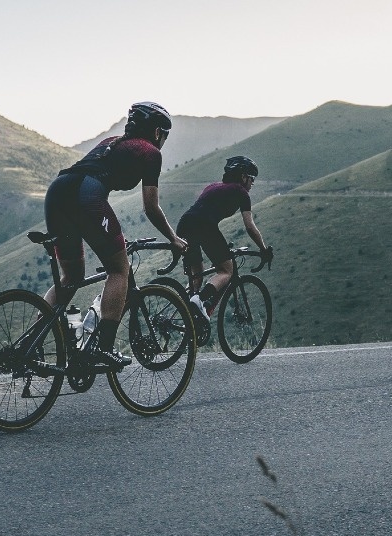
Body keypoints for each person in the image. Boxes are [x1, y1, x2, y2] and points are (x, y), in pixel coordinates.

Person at [43, 101, 187, 370]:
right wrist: (173, 238)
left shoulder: (114, 141)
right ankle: (103, 349)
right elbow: (151, 207)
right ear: (157, 132)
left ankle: (33, 343)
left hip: (58, 192)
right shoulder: (151, 152)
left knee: (71, 277)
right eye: (164, 136)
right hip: (86, 195)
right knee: (119, 269)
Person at [177, 155, 271, 325]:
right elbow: (250, 227)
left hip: (185, 224)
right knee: (227, 270)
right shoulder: (241, 193)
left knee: (196, 274)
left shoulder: (213, 186)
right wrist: (263, 249)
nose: (252, 183)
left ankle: (189, 318)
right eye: (251, 179)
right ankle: (201, 301)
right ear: (243, 177)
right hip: (204, 226)